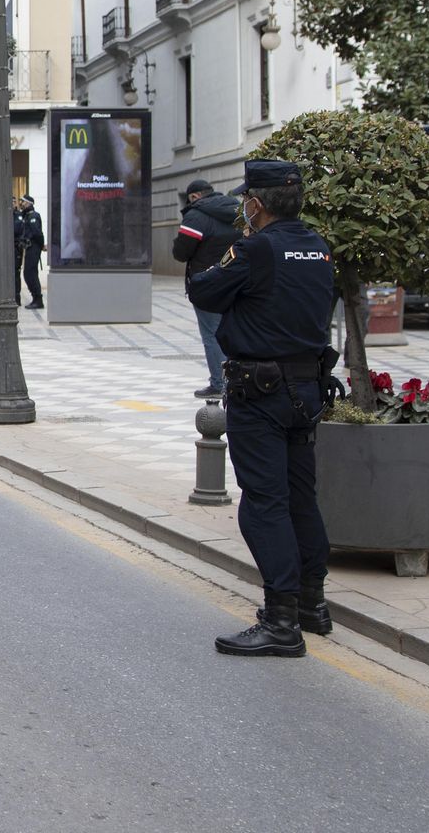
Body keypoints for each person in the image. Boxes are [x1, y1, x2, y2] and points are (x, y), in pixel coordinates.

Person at [189, 160, 336, 658]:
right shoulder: (318, 247)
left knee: (264, 503)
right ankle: (314, 605)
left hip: (261, 392)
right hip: (307, 390)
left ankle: (280, 621)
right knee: (301, 497)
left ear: (253, 204)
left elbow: (203, 288)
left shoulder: (254, 249)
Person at [173, 179, 243, 396]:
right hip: (237, 280)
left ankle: (220, 384)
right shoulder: (237, 208)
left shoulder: (195, 215)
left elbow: (181, 252)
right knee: (237, 332)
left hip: (207, 283)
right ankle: (238, 382)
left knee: (212, 334)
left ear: (194, 196)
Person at [15, 195, 45, 310]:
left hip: (33, 248)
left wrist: (41, 246)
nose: (21, 204)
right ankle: (36, 298)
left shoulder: (33, 216)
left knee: (30, 273)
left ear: (29, 203)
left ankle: (38, 299)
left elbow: (37, 234)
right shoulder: (26, 216)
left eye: (23, 202)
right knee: (28, 273)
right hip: (29, 248)